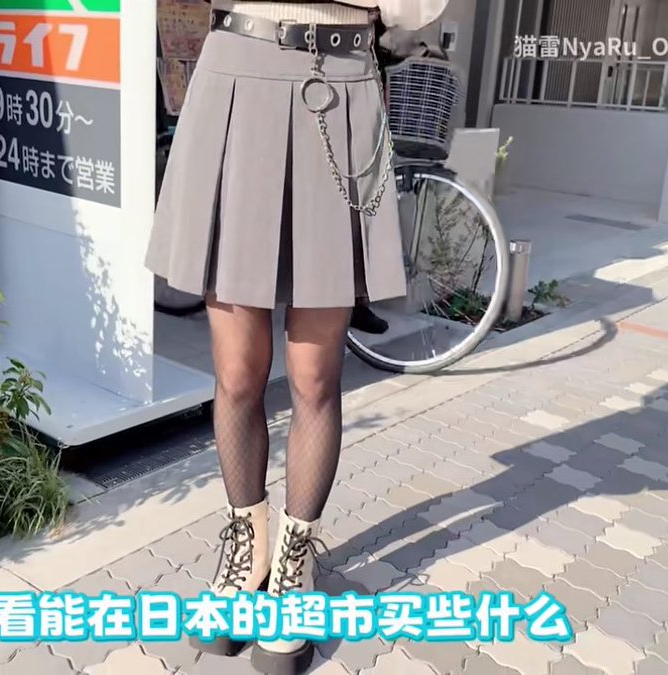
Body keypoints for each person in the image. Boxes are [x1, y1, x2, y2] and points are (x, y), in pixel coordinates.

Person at [144, 1, 447, 673]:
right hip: (236, 74)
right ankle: (246, 548)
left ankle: (293, 562)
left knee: (314, 376)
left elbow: (415, 9)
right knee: (237, 372)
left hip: (340, 82)